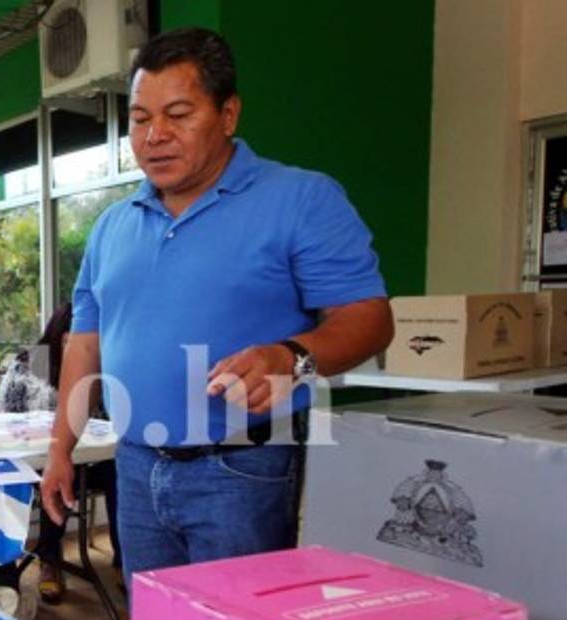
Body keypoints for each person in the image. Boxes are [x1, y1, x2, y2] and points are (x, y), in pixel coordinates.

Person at [41, 28, 393, 587]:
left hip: (242, 470)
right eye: (139, 118)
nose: (155, 135)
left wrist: (292, 356)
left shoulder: (300, 198)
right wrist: (62, 447)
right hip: (134, 464)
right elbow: (86, 342)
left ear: (228, 114)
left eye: (179, 115)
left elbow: (369, 319)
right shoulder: (112, 225)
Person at [0, 302, 121, 604]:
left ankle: (124, 558)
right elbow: (1, 417)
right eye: (68, 339)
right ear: (56, 336)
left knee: (120, 471)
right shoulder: (27, 366)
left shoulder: (102, 367)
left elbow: (110, 419)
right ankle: (50, 561)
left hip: (88, 459)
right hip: (33, 461)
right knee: (58, 477)